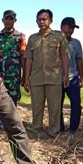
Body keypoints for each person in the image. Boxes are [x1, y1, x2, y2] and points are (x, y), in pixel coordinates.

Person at [23, 9, 69, 137]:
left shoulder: (59, 36)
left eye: (45, 19)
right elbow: (28, 59)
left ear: (50, 20)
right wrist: (26, 78)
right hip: (36, 78)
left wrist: (66, 75)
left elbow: (65, 56)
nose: (42, 22)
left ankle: (53, 130)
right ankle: (36, 128)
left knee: (54, 107)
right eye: (39, 19)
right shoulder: (32, 38)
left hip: (54, 77)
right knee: (36, 106)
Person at [0, 10, 26, 106]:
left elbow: (23, 57)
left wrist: (25, 75)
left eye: (11, 19)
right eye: (7, 18)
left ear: (15, 20)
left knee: (12, 103)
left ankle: (12, 121)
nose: (8, 21)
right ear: (2, 20)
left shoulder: (20, 37)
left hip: (13, 77)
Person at [59, 17, 83, 134]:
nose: (71, 30)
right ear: (62, 27)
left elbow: (79, 60)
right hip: (57, 78)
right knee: (57, 105)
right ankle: (60, 128)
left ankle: (73, 128)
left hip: (73, 77)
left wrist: (81, 77)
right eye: (69, 27)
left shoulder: (76, 43)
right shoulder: (54, 41)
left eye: (73, 28)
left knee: (76, 103)